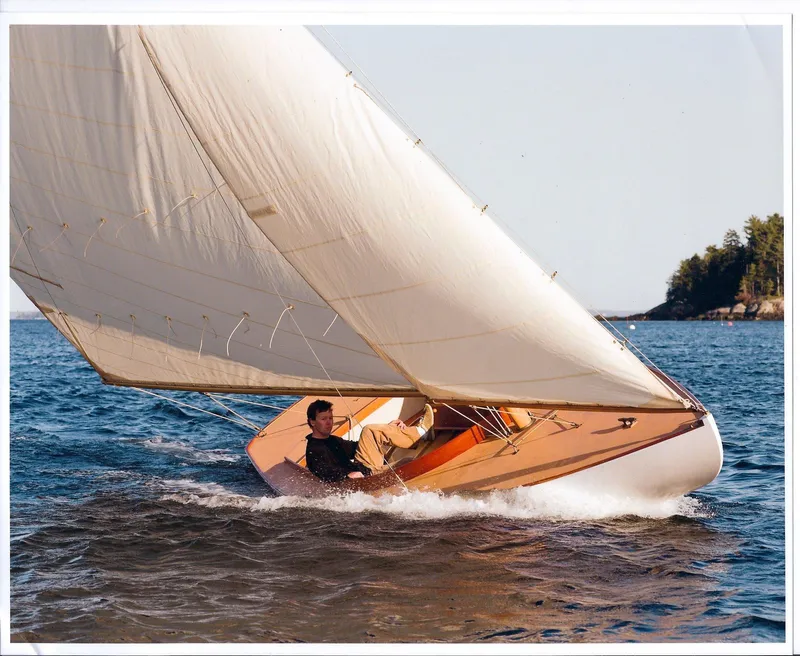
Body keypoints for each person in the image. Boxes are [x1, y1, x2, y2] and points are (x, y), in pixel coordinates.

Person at [304, 399, 435, 483]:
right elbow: (322, 472)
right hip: (357, 481)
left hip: (365, 470)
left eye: (330, 418)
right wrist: (347, 475)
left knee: (408, 461)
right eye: (323, 419)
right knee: (370, 431)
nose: (329, 422)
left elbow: (359, 447)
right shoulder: (313, 449)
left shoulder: (333, 440)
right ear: (312, 422)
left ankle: (420, 434)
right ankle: (420, 433)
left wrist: (387, 430)